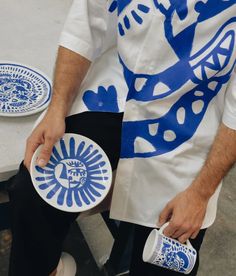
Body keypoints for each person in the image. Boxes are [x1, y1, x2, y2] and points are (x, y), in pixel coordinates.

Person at [7, 0, 236, 275]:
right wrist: (57, 106)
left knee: (168, 260)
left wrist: (200, 194)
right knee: (33, 192)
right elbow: (87, 23)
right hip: (115, 90)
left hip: (192, 126)